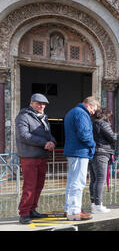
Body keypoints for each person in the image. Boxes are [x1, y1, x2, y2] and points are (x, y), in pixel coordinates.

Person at [15, 93, 56, 224]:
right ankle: (24, 213)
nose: (42, 106)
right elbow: (24, 136)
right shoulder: (23, 116)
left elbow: (49, 135)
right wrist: (44, 143)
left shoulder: (44, 117)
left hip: (42, 156)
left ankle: (32, 210)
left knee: (39, 185)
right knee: (29, 186)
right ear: (31, 103)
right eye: (38, 103)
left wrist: (52, 142)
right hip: (29, 157)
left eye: (44, 104)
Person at [64, 96, 100, 221]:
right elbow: (84, 134)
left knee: (71, 182)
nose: (93, 113)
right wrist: (93, 145)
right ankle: (74, 211)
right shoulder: (81, 113)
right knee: (78, 183)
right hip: (79, 152)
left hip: (74, 152)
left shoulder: (72, 112)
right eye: (93, 109)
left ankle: (68, 209)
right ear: (89, 105)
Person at [89, 108, 117, 213]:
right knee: (100, 179)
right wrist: (115, 135)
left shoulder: (92, 123)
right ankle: (98, 205)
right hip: (102, 153)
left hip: (94, 153)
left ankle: (93, 203)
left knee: (94, 180)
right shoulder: (103, 123)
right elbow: (112, 137)